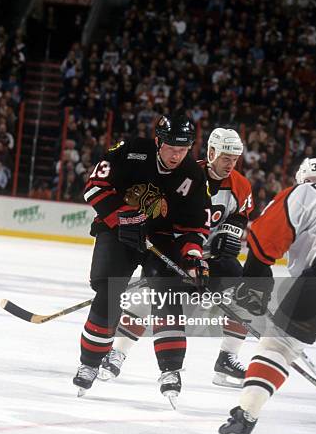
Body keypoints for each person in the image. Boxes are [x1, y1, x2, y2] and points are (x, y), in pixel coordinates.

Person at [218, 157, 316, 434]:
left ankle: (245, 416)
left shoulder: (303, 191)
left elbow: (266, 234)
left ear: (300, 177)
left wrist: (255, 277)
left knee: (279, 344)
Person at [99, 128, 254, 388]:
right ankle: (117, 352)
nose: (230, 164)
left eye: (235, 158)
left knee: (248, 291)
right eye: (226, 157)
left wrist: (230, 233)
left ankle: (228, 357)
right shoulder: (187, 173)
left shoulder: (241, 185)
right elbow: (163, 215)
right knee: (151, 296)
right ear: (212, 152)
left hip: (209, 256)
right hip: (179, 251)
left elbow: (239, 216)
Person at [73, 115, 210, 400]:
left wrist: (193, 256)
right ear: (158, 141)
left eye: (183, 149)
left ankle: (171, 369)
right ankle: (89, 364)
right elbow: (94, 187)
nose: (177, 155)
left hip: (159, 238)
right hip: (118, 230)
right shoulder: (130, 150)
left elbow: (195, 226)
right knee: (108, 291)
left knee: (167, 294)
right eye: (171, 147)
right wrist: (123, 218)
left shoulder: (194, 176)